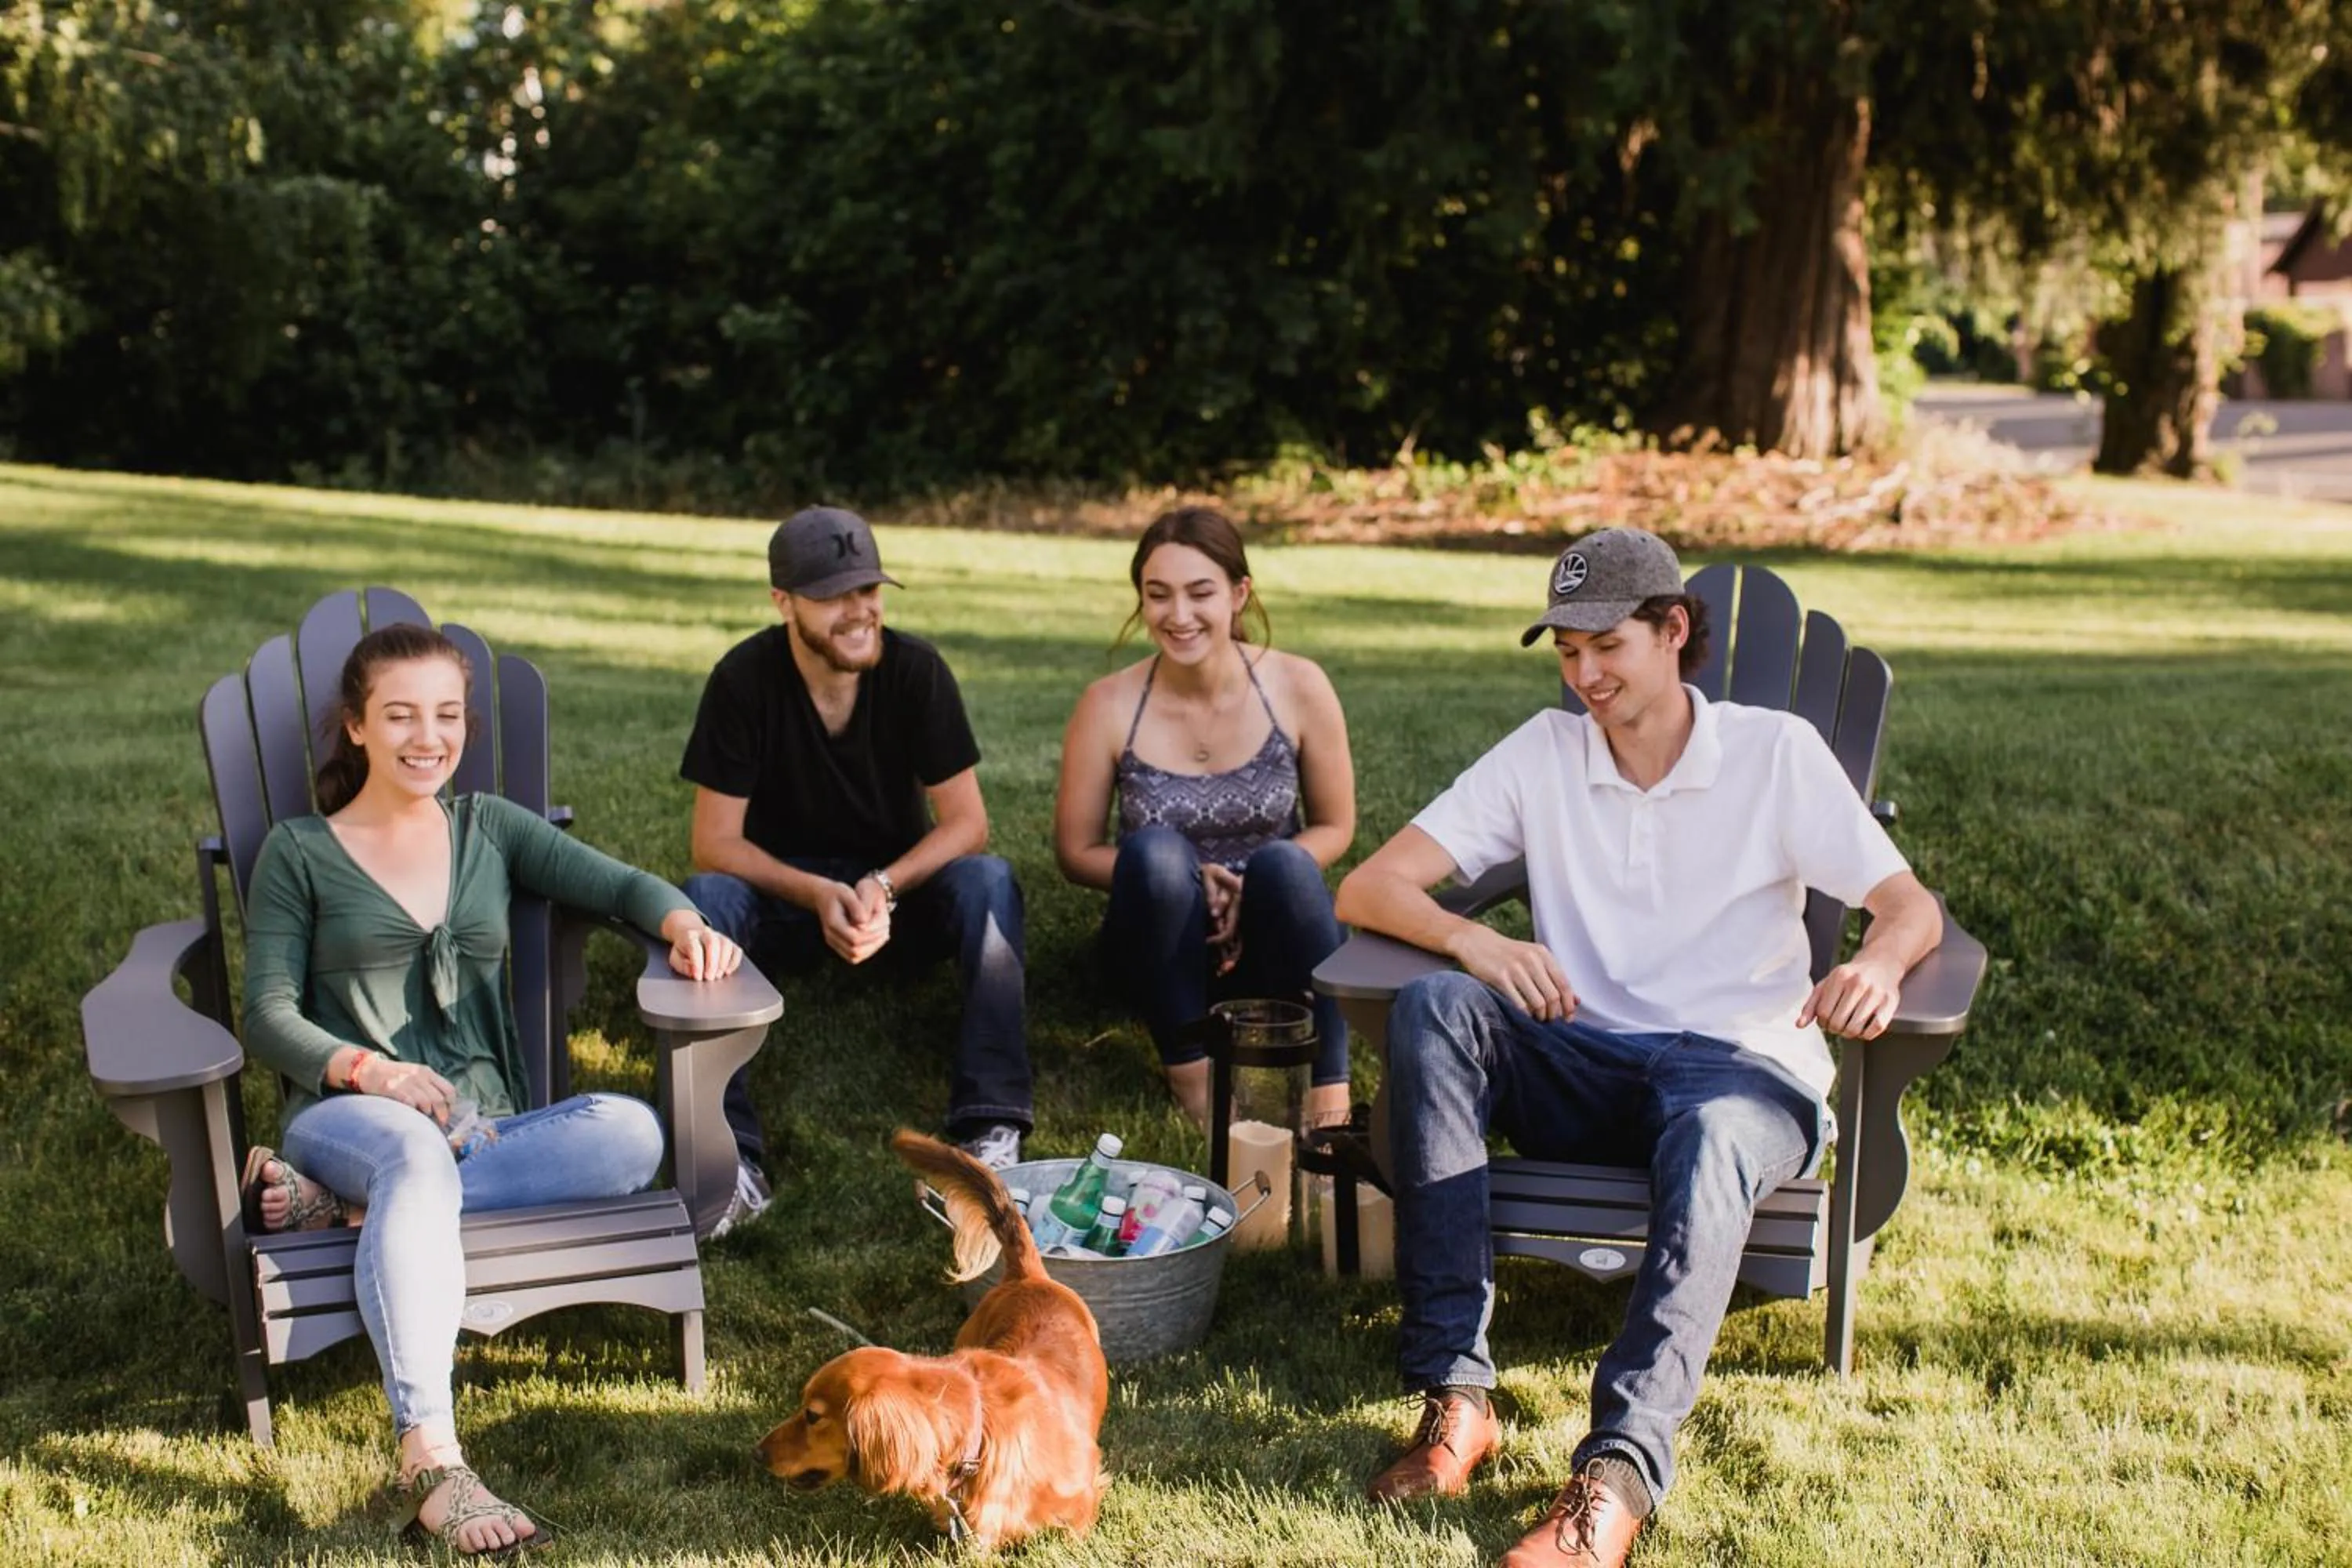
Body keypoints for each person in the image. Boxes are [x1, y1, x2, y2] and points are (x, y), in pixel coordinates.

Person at [1338, 527, 1943, 1568]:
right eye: (1568, 651)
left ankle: (1615, 1476)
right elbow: (1369, 887)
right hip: (1585, 1057)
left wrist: (1879, 966)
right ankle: (1457, 1396)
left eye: (1607, 645)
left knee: (1712, 1133)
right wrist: (1477, 941)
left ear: (1673, 631)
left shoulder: (1774, 753)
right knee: (1438, 1005)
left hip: (1742, 1072)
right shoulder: (1545, 752)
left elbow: (1908, 906)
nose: (1585, 675)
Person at [239, 622, 746, 1558]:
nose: (427, 736)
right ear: (356, 725)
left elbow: (621, 884)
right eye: (400, 714)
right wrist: (374, 1070)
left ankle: (344, 1211)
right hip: (350, 1114)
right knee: (411, 1154)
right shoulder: (298, 850)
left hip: (486, 1128)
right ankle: (431, 1457)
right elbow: (266, 1013)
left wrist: (684, 924)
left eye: (446, 714)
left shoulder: (490, 828)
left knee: (631, 1131)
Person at [681, 506, 1033, 1196]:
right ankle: (729, 1155)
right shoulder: (743, 679)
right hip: (786, 906)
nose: (859, 610)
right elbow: (713, 843)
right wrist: (815, 892)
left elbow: (968, 824)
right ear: (783, 601)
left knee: (989, 881)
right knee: (705, 901)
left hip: (895, 903)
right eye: (833, 595)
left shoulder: (917, 671)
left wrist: (885, 884)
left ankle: (991, 1127)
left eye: (868, 589)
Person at [1053, 506, 1356, 1129]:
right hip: (1156, 942)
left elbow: (1336, 825)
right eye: (1158, 594)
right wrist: (1194, 877)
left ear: (1239, 594)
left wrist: (1245, 885)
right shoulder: (1107, 703)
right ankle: (1191, 1073)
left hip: (1269, 938)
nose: (1179, 614)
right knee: (1158, 854)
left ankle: (1331, 1090)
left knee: (1285, 863)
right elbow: (1076, 851)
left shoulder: (1299, 685)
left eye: (1200, 593)